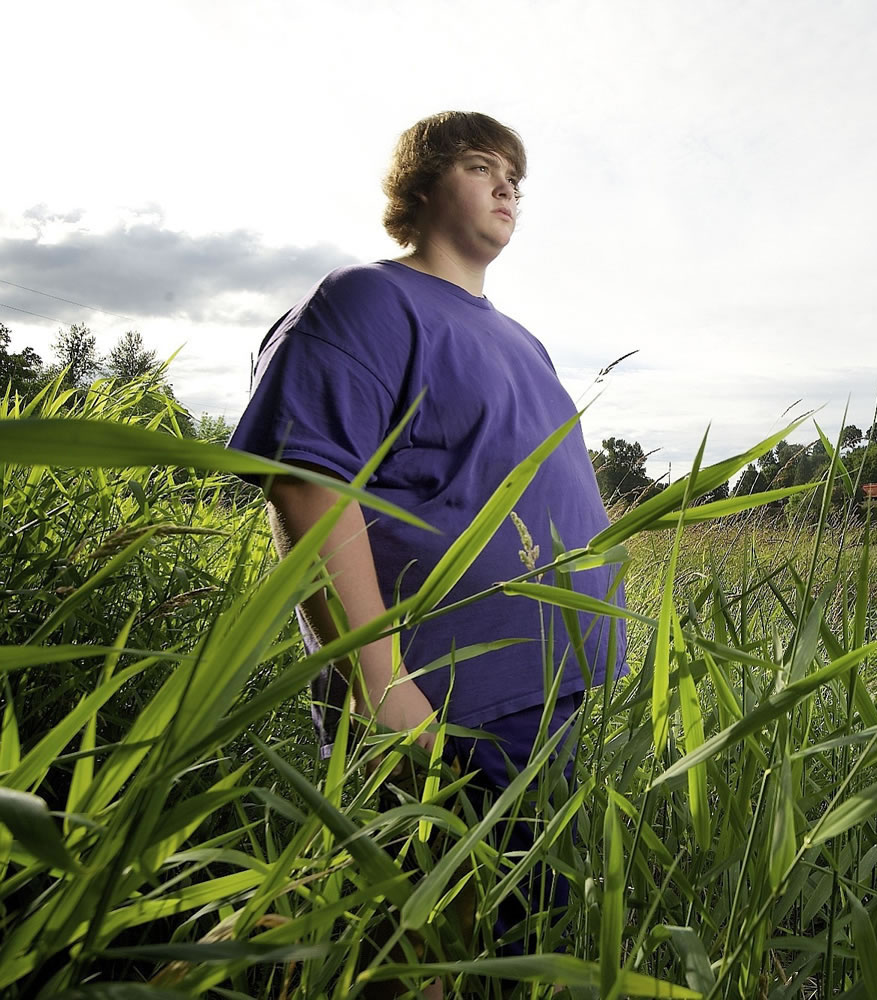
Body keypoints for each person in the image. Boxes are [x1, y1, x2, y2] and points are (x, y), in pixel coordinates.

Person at [228, 111, 625, 992]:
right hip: (445, 702)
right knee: (413, 951)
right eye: (482, 167)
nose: (507, 187)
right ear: (417, 190)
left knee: (515, 944)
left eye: (516, 177)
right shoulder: (369, 300)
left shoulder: (522, 339)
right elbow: (307, 483)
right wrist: (381, 684)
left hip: (550, 695)